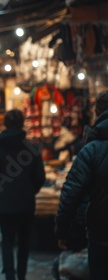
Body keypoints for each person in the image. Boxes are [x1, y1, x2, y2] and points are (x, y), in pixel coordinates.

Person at [0, 109, 45, 280]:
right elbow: (40, 177)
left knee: (7, 240)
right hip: (26, 203)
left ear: (5, 124)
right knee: (24, 242)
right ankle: (22, 275)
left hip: (3, 204)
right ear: (21, 124)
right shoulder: (31, 147)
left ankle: (10, 276)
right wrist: (30, 190)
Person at [55, 91, 108, 279]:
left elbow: (71, 193)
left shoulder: (91, 150)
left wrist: (62, 230)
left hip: (102, 234)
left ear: (97, 112)